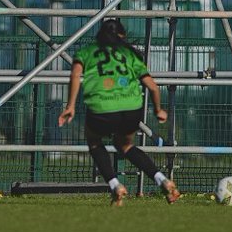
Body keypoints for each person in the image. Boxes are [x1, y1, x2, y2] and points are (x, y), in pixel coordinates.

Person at [58, 17, 181, 206]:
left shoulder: (87, 52)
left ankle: (115, 185)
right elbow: (153, 87)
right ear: (122, 36)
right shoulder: (130, 55)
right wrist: (158, 110)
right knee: (124, 145)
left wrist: (70, 106)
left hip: (101, 108)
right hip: (132, 109)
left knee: (94, 141)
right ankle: (162, 180)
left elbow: (75, 75)